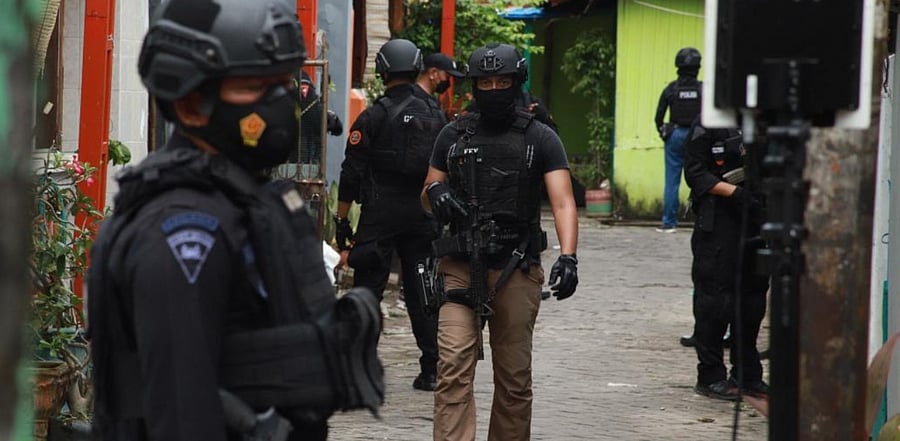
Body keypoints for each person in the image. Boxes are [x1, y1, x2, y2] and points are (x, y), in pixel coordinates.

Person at [87, 2, 383, 440]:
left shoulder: (243, 203)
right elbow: (183, 415)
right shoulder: (184, 230)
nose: (280, 103)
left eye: (284, 84)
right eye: (254, 87)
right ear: (190, 104)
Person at [421, 43, 579, 441]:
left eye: (502, 81)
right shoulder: (452, 134)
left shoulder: (540, 137)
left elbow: (562, 201)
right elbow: (427, 193)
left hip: (516, 267)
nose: (493, 89)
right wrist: (435, 195)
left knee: (513, 379)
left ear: (516, 83)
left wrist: (569, 257)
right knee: (453, 367)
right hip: (459, 265)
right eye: (486, 82)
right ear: (475, 86)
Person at [334, 38, 448, 392]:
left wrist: (341, 219)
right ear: (416, 68)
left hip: (380, 213)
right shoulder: (436, 114)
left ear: (382, 71)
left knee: (368, 291)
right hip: (422, 212)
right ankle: (432, 369)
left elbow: (351, 172)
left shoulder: (373, 115)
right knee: (423, 291)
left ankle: (358, 372)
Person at [683, 116, 769, 401]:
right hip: (719, 224)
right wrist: (735, 192)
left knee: (753, 301)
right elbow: (696, 174)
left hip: (755, 221)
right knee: (714, 303)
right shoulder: (708, 122)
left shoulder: (763, 119)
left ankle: (748, 374)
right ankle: (710, 376)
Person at [654, 47, 702, 233]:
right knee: (700, 178)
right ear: (698, 67)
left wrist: (663, 132)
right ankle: (701, 221)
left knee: (672, 181)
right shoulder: (702, 90)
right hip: (698, 135)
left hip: (675, 135)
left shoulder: (671, 89)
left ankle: (669, 223)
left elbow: (658, 116)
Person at [292, 71, 343, 165]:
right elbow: (308, 105)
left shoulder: (299, 76)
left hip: (309, 150)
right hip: (298, 148)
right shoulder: (298, 76)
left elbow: (338, 128)